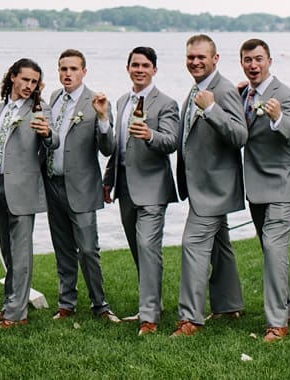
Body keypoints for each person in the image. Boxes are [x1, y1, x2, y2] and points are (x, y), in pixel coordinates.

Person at [172, 34, 247, 337]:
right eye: (191, 57)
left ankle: (190, 319)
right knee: (220, 246)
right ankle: (230, 305)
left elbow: (240, 135)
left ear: (215, 58)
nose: (195, 62)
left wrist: (213, 109)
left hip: (215, 187)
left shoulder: (222, 90)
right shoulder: (197, 88)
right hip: (200, 185)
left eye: (201, 57)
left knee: (193, 246)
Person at [102, 46, 180, 336]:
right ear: (128, 68)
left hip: (152, 187)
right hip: (125, 187)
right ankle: (152, 304)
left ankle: (150, 317)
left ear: (154, 70)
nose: (139, 69)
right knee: (139, 250)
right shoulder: (123, 101)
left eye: (145, 65)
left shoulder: (166, 103)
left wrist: (149, 135)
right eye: (135, 65)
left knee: (148, 248)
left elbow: (171, 141)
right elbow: (118, 148)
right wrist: (108, 180)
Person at [43, 49, 120, 324]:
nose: (67, 74)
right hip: (53, 184)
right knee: (63, 247)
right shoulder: (53, 99)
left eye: (73, 69)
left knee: (88, 249)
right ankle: (67, 303)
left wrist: (101, 119)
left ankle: (100, 304)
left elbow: (108, 148)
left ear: (84, 72)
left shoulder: (96, 102)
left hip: (83, 186)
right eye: (63, 68)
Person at [238, 38, 290, 343]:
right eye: (248, 60)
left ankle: (277, 323)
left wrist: (277, 116)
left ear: (269, 61)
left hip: (283, 185)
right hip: (255, 187)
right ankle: (286, 307)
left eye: (258, 59)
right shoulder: (243, 94)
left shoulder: (287, 96)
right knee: (269, 250)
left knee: (275, 249)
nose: (253, 65)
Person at [0, 58, 57, 328]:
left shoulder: (39, 110)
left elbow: (54, 141)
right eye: (25, 79)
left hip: (24, 189)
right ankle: (10, 306)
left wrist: (47, 132)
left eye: (34, 82)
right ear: (13, 77)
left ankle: (17, 315)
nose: (29, 86)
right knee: (7, 252)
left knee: (21, 253)